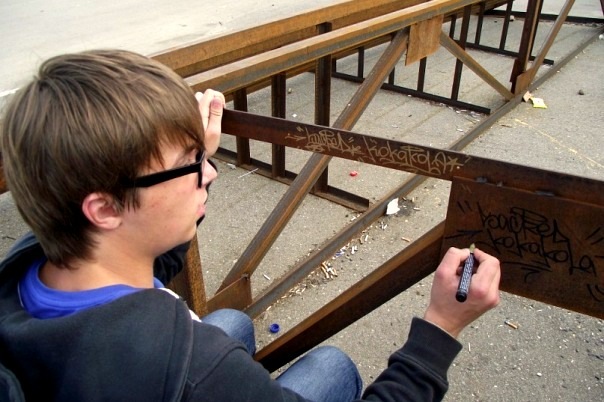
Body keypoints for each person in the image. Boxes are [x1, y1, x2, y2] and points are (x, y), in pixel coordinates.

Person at [0, 49, 501, 401]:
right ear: (106, 209)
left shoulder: (35, 265)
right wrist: (440, 328)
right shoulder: (200, 371)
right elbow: (198, 373)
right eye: (190, 164)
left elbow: (143, 243)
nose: (210, 173)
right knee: (331, 366)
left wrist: (189, 155)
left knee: (233, 323)